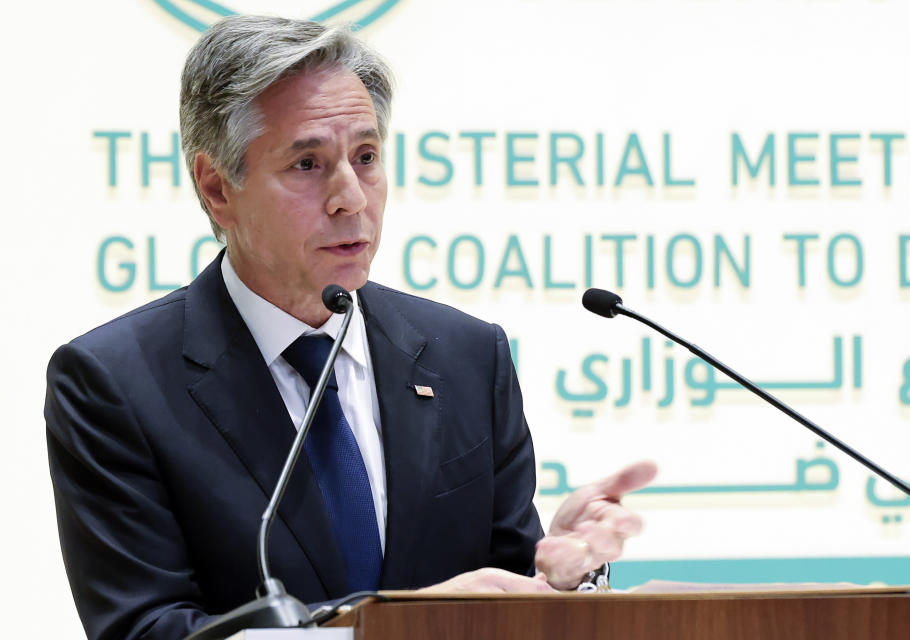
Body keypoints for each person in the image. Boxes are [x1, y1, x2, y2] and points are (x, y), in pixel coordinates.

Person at [45, 15, 657, 640]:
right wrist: (385, 630)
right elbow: (144, 629)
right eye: (307, 163)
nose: (351, 198)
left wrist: (556, 581)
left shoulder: (468, 357)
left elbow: (497, 590)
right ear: (216, 188)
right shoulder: (115, 382)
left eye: (365, 158)